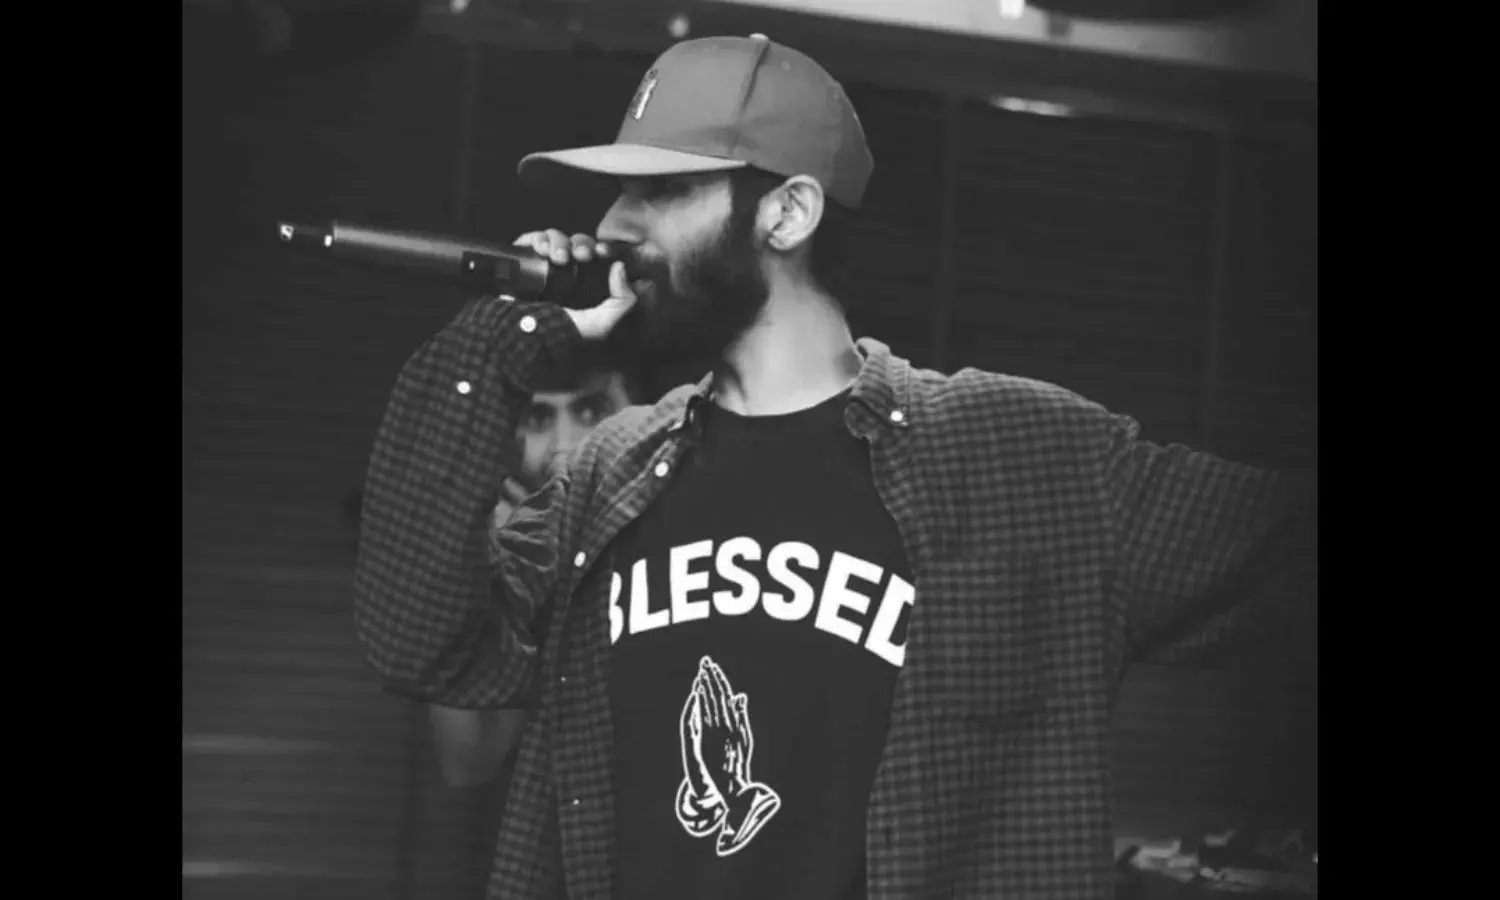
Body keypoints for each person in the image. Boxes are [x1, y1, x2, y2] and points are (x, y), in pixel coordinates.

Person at [352, 33, 1317, 900]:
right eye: (617, 192)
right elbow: (420, 643)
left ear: (787, 212)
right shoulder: (609, 472)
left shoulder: (1026, 454)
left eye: (662, 193)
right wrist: (505, 340)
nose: (613, 225)